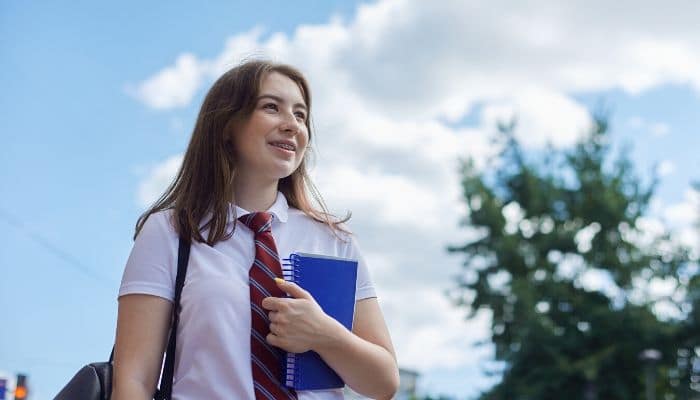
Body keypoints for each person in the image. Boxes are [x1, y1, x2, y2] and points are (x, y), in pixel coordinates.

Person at [111, 60, 399, 400]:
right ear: (227, 125)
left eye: (301, 114)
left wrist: (324, 335)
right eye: (272, 107)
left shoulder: (334, 240)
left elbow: (384, 383)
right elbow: (134, 381)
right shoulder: (170, 233)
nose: (292, 125)